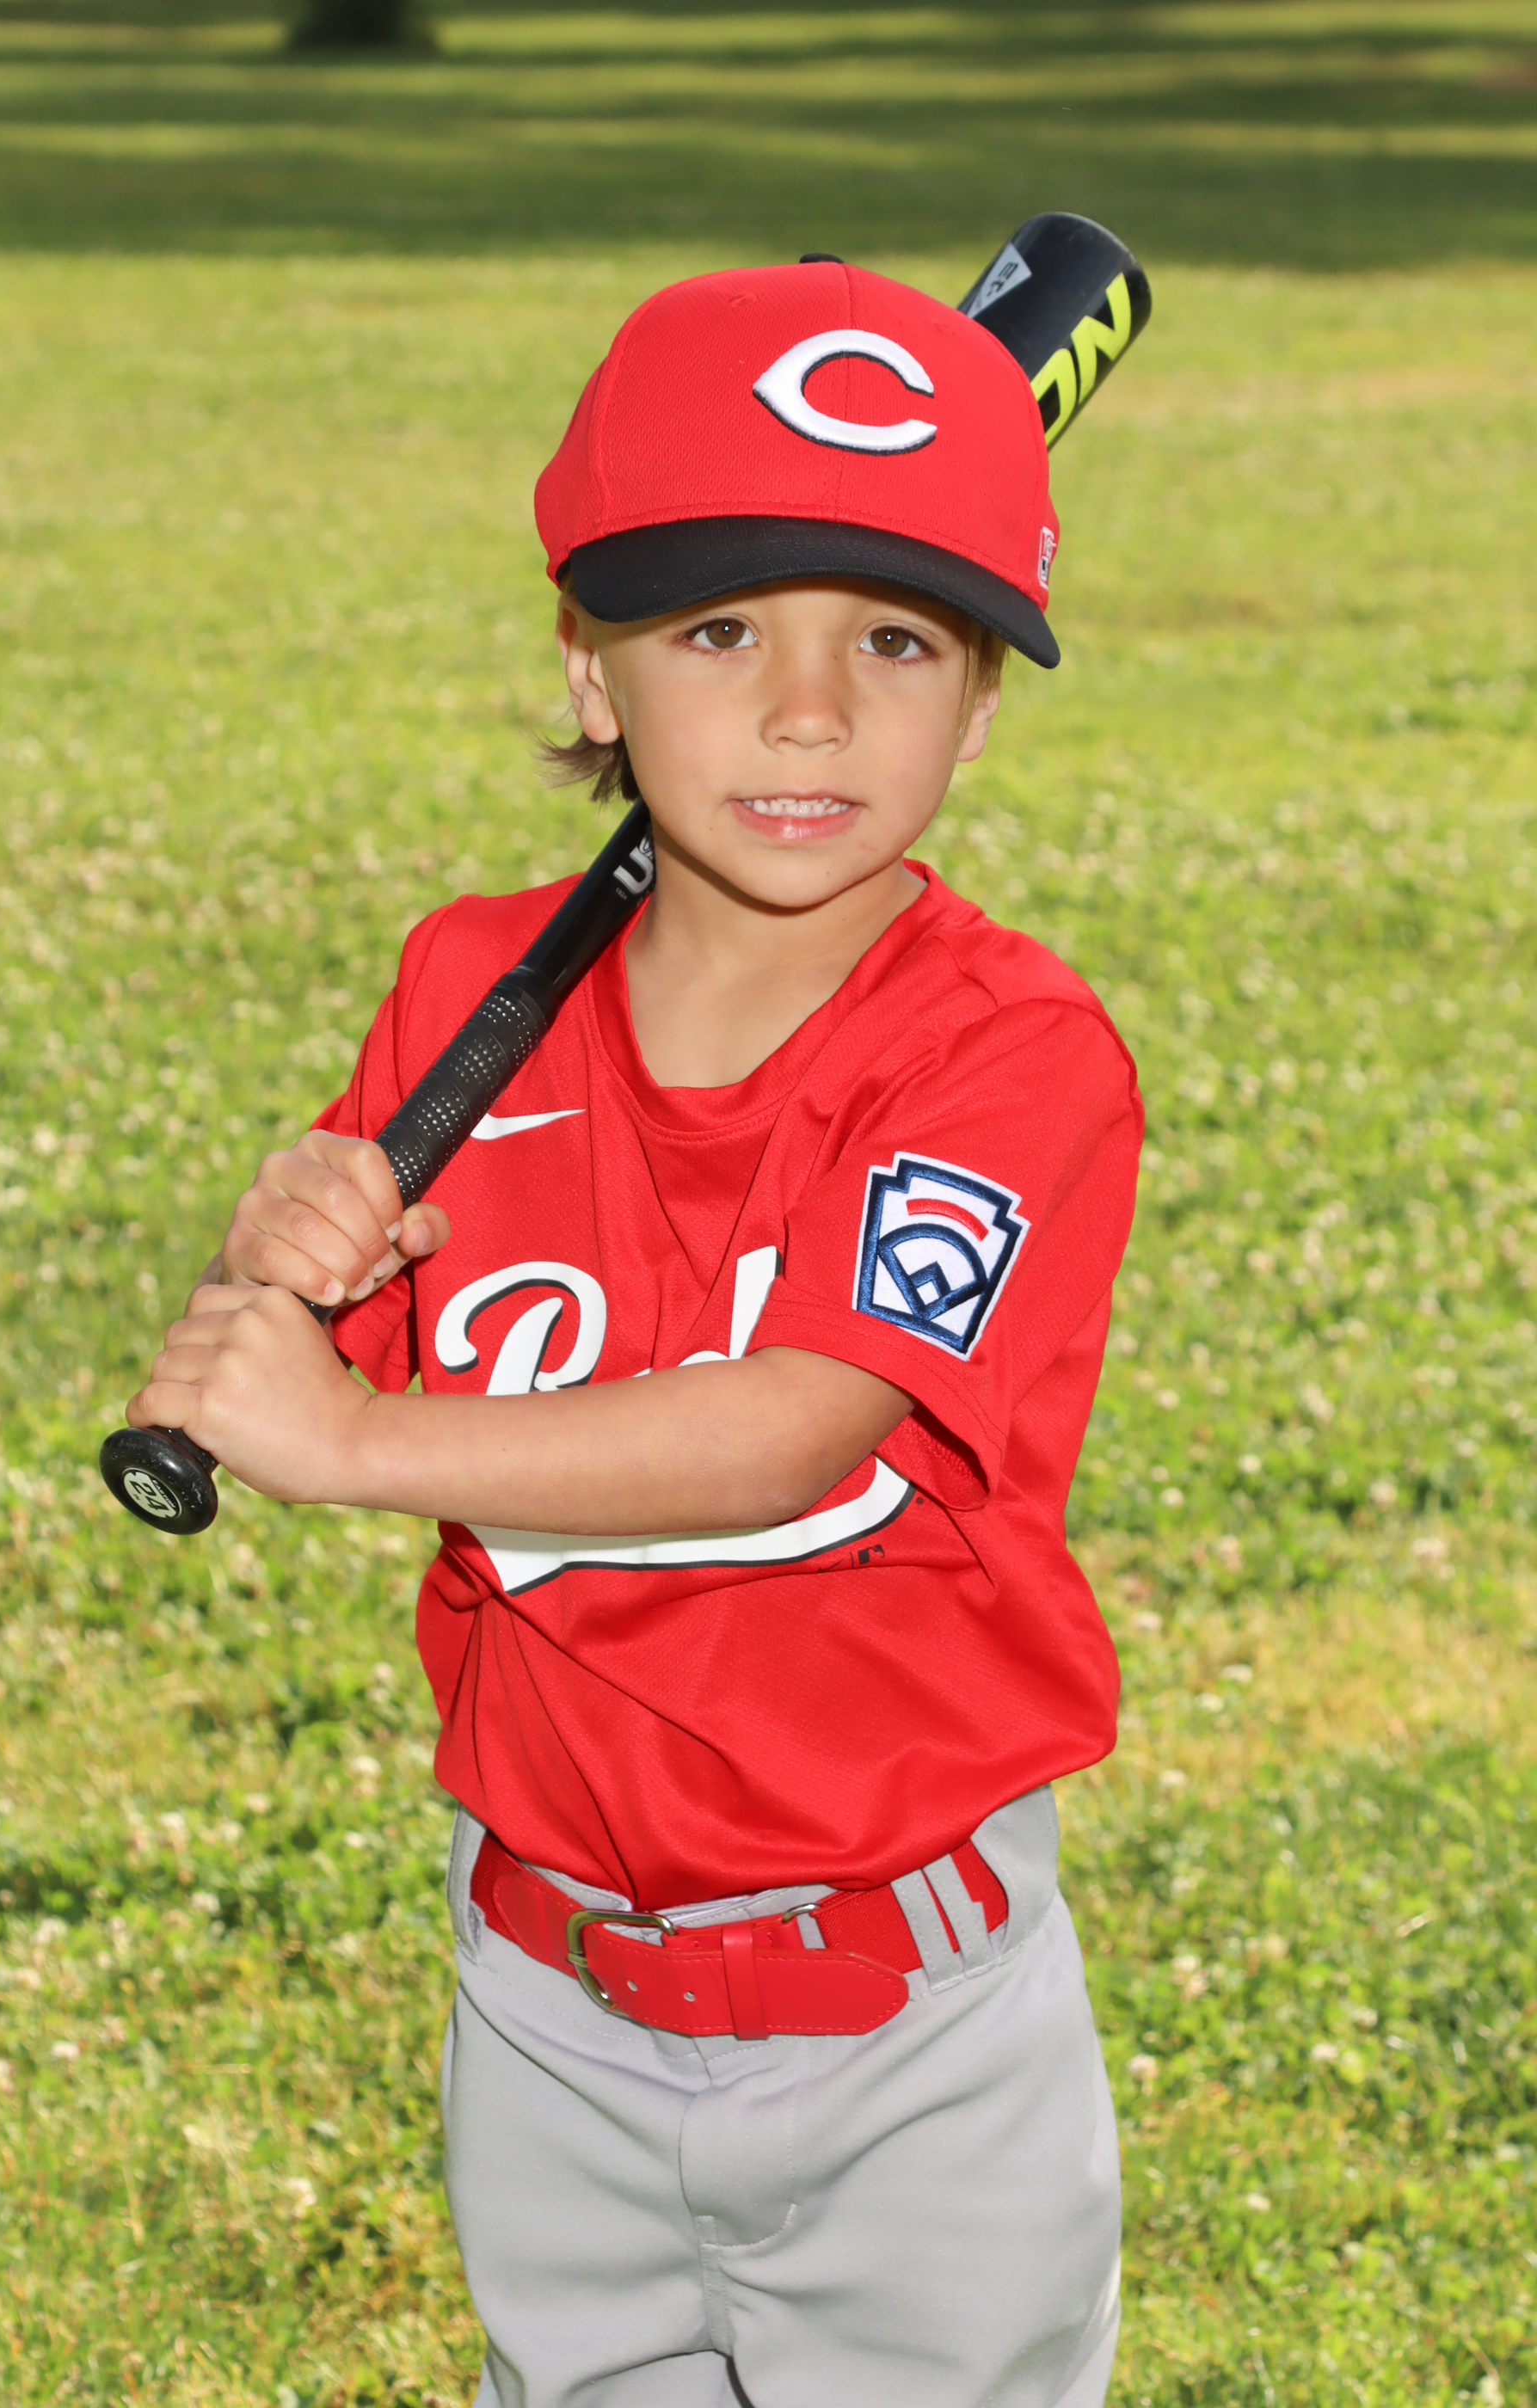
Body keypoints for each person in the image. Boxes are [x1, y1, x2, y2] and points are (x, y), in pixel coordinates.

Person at [127, 258, 1143, 2408]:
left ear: (979, 704)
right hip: (545, 1993)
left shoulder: (1003, 1052)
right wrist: (305, 1246)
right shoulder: (468, 995)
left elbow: (791, 1430)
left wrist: (353, 1441)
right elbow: (381, 1319)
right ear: (587, 674)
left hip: (904, 2037)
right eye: (718, 632)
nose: (809, 711)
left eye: (896, 640)